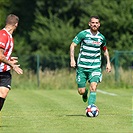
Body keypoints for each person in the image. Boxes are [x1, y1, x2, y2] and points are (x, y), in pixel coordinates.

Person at [70, 16, 111, 106]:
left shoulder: (101, 37)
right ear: (89, 24)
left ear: (99, 24)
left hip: (95, 67)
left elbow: (105, 50)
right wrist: (72, 59)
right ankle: (85, 93)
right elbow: (73, 45)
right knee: (81, 91)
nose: (94, 24)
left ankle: (90, 107)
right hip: (82, 67)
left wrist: (108, 63)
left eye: (96, 23)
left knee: (93, 86)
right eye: (93, 23)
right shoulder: (83, 34)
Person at [0, 14, 23, 112]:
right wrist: (12, 64)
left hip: (4, 71)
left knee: (3, 93)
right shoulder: (3, 35)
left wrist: (9, 59)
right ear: (16, 24)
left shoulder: (10, 37)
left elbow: (3, 55)